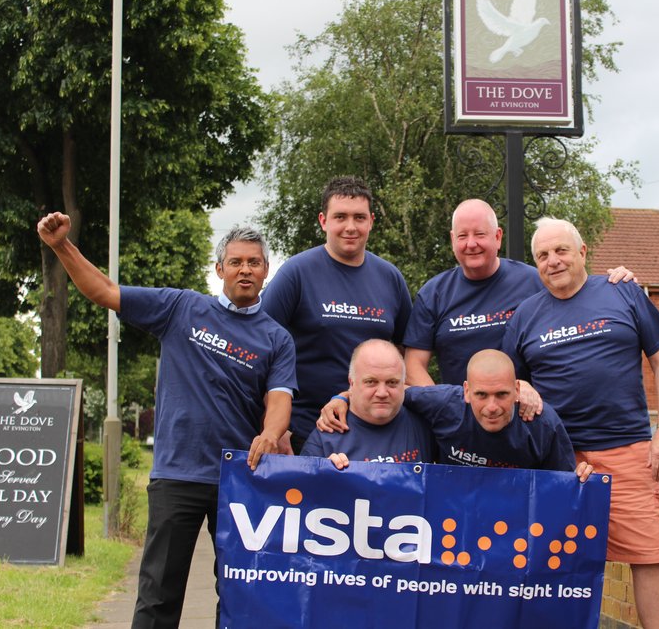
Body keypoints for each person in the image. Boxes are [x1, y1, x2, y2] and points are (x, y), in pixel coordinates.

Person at [37, 213, 297, 629]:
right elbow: (104, 291)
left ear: (266, 270)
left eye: (254, 262)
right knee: (159, 594)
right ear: (219, 270)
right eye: (236, 262)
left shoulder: (276, 338)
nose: (245, 269)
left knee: (242, 590)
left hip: (240, 477)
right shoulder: (181, 307)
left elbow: (280, 399)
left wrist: (270, 433)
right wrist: (61, 246)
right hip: (178, 473)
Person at [501, 217, 659, 629]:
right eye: (542, 255)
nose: (552, 261)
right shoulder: (525, 315)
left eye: (561, 250)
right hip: (556, 460)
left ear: (583, 253)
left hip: (628, 451)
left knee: (649, 555)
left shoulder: (622, 291)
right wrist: (520, 385)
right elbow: (505, 378)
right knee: (552, 564)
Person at [403, 198, 634, 388]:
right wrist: (448, 406)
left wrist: (614, 282)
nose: (471, 243)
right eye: (463, 236)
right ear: (453, 240)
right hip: (459, 426)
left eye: (480, 234)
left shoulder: (534, 280)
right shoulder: (433, 293)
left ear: (498, 237)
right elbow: (413, 366)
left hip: (528, 418)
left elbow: (578, 291)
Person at [260, 176, 412, 454]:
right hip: (303, 432)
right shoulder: (296, 273)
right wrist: (274, 427)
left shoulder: (391, 278)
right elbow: (259, 350)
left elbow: (405, 355)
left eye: (359, 217)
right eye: (340, 217)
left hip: (374, 436)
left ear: (371, 221)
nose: (350, 227)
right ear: (323, 221)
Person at [317, 349, 592, 482]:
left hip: (515, 522)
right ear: (467, 391)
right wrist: (343, 396)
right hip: (454, 520)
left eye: (503, 395)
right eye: (482, 395)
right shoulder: (442, 403)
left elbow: (564, 489)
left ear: (517, 390)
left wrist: (580, 480)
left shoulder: (542, 422)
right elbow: (388, 391)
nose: (492, 407)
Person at [302, 339, 434, 467]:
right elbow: (304, 488)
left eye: (392, 382)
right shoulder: (325, 437)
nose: (382, 393)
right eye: (371, 382)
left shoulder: (426, 423)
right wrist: (322, 476)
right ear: (351, 382)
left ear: (403, 383)